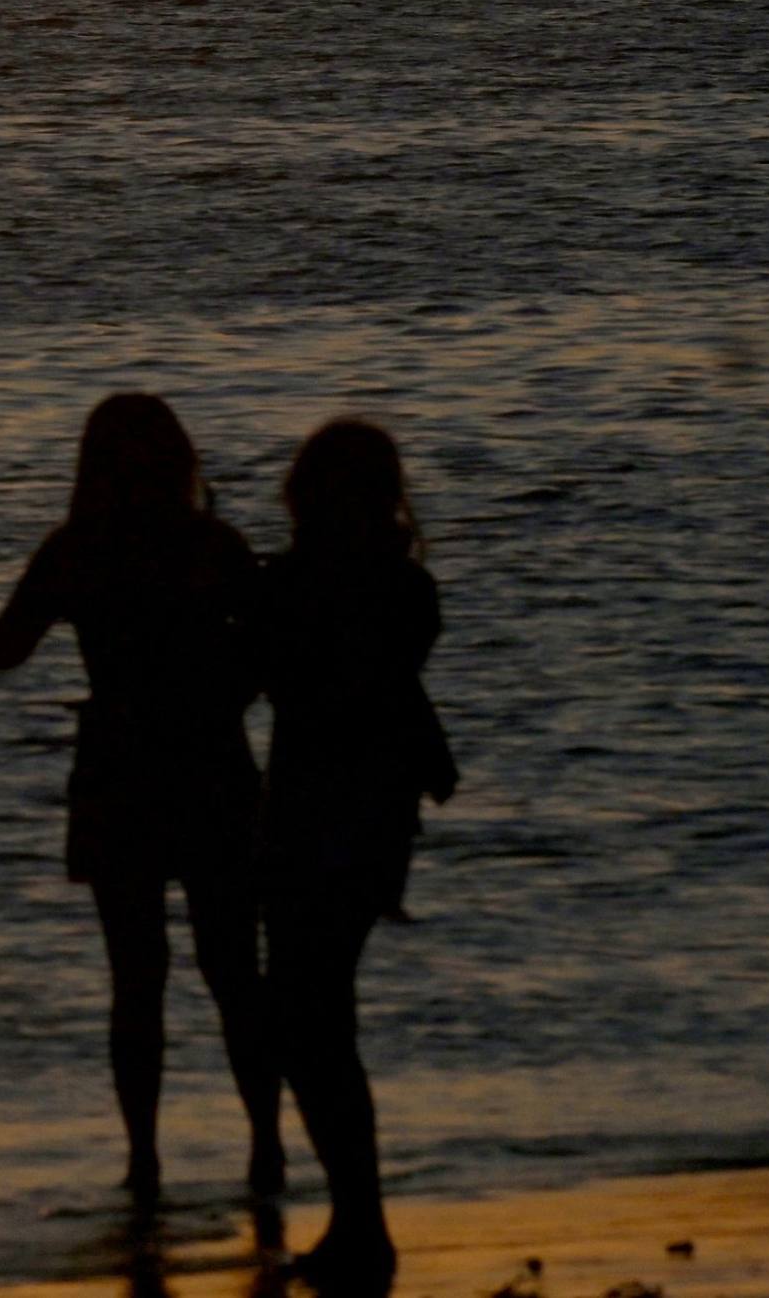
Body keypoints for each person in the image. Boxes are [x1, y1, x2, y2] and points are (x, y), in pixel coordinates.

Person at [0, 393, 286, 1209]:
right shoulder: (211, 544)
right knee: (232, 970)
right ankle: (266, 1148)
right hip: (212, 768)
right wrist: (221, 690)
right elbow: (271, 652)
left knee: (135, 977)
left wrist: (60, 593)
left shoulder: (76, 548)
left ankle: (144, 1160)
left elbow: (1, 652)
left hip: (118, 770)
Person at [253, 418, 457, 1293]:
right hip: (373, 818)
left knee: (307, 1022)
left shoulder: (294, 586)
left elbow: (264, 673)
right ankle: (357, 1217)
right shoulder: (406, 588)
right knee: (314, 1018)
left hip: (310, 815)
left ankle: (361, 1223)